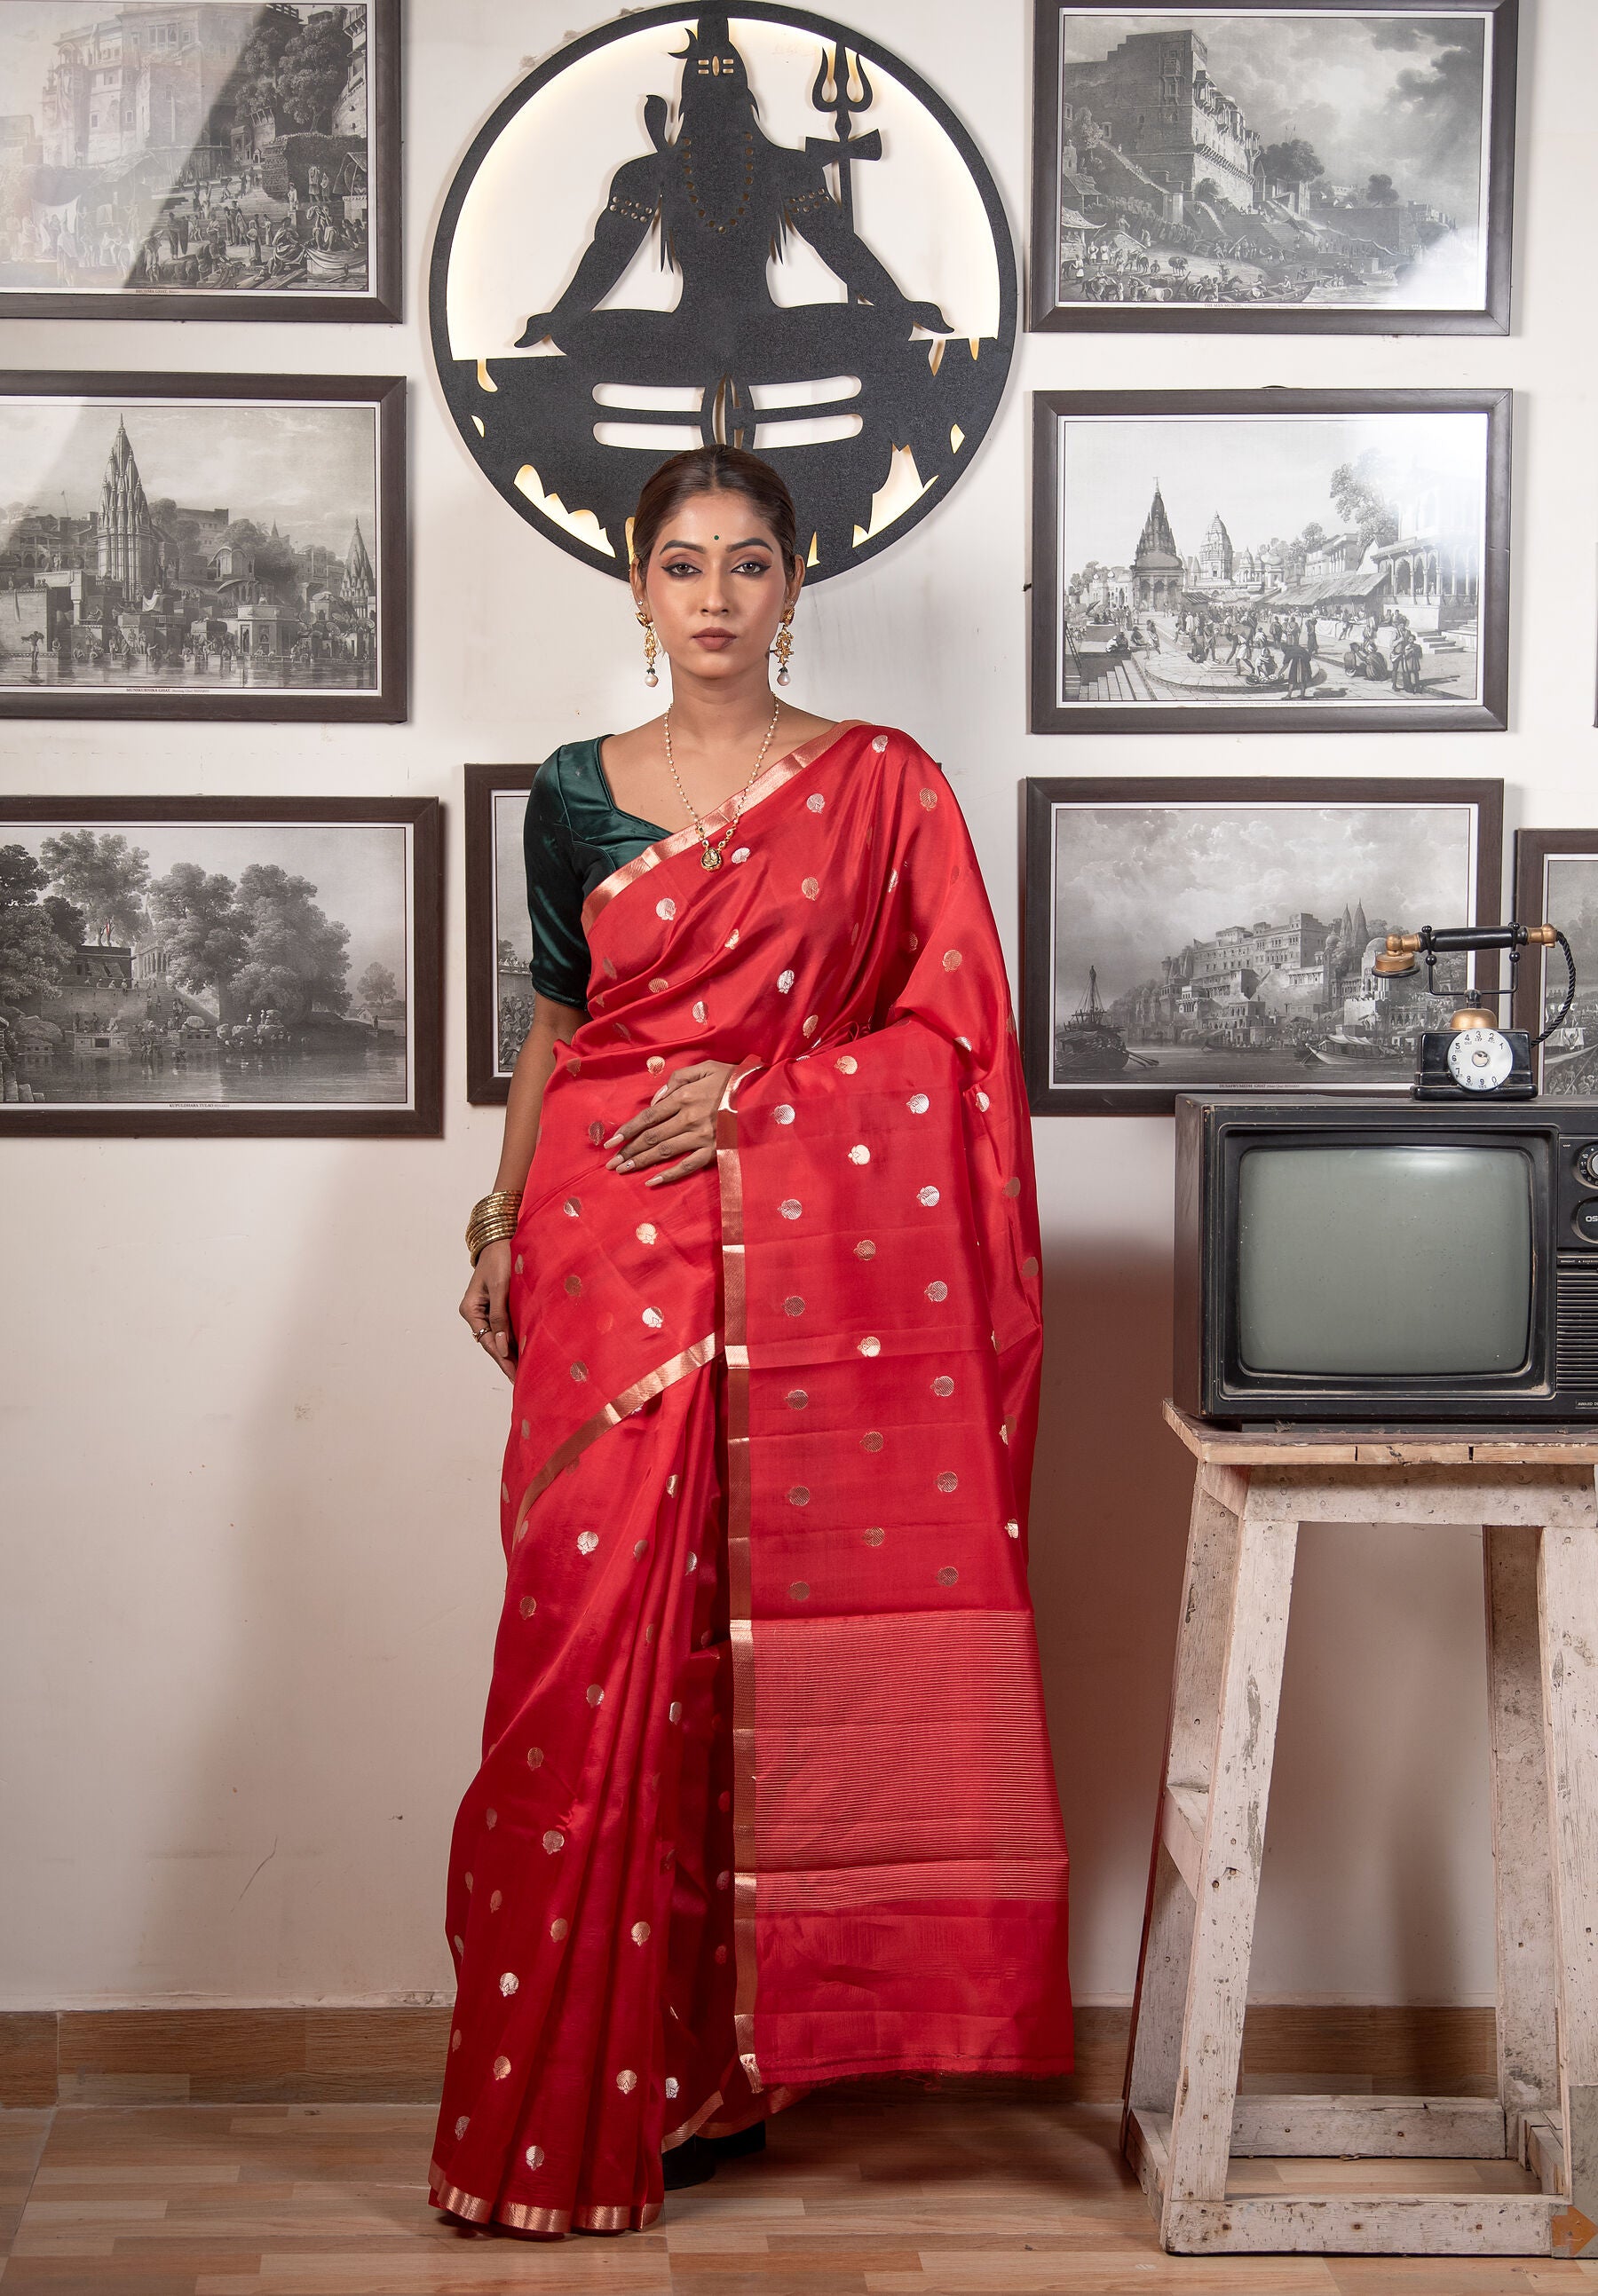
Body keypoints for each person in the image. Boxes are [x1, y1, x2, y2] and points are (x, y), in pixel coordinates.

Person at [438, 445, 1072, 2239]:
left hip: (782, 1245)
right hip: (596, 1246)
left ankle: (715, 2073)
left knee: (755, 1643)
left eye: (747, 563)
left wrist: (768, 1103)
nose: (714, 595)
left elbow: (955, 1053)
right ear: (633, 589)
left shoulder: (880, 789)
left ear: (797, 585)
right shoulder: (574, 795)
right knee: (588, 1640)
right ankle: (569, 2079)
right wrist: (499, 1219)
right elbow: (556, 1028)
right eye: (680, 564)